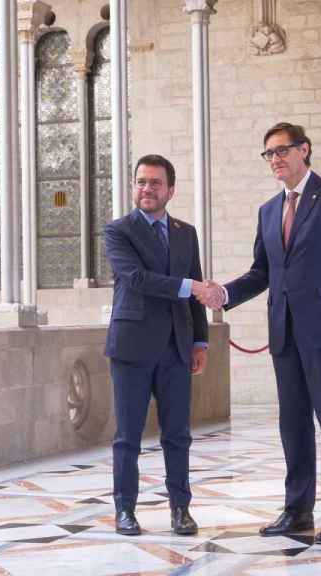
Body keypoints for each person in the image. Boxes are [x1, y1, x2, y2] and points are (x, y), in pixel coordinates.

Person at [199, 122, 321, 544]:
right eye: (269, 154)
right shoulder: (269, 211)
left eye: (282, 151)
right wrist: (226, 294)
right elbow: (262, 272)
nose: (275, 159)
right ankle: (297, 511)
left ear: (304, 150)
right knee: (292, 426)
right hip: (284, 336)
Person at [104, 154, 215, 536]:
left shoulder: (187, 232)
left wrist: (200, 340)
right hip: (132, 347)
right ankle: (125, 511)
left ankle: (181, 509)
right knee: (128, 436)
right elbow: (136, 278)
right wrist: (190, 287)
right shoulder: (118, 230)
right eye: (140, 182)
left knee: (178, 434)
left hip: (176, 348)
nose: (146, 188)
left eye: (154, 182)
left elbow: (196, 286)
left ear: (171, 189)